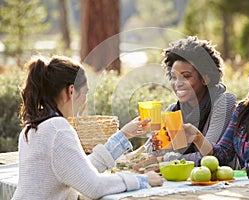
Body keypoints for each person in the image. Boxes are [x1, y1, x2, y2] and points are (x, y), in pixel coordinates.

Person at [12, 55, 163, 200]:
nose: (85, 102)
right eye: (85, 93)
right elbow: (93, 186)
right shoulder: (57, 128)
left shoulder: (33, 128)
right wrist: (141, 180)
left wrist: (123, 136)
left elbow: (80, 172)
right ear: (71, 91)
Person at [169, 47, 249, 176]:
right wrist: (197, 138)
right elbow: (223, 153)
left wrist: (243, 172)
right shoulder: (243, 110)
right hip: (248, 188)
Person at [150, 36, 237, 165]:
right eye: (173, 77)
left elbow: (209, 157)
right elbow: (149, 157)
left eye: (186, 76)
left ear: (205, 79)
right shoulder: (174, 111)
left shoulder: (224, 103)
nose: (177, 83)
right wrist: (155, 147)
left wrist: (162, 160)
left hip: (221, 182)